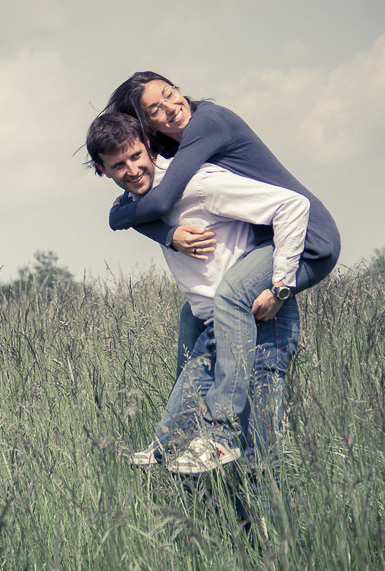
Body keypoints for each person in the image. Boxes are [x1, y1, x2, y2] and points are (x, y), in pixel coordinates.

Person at [100, 72, 340, 463]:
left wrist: (123, 219)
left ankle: (221, 430)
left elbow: (161, 202)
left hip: (307, 240)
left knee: (229, 296)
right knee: (193, 319)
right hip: (269, 240)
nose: (171, 107)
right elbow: (154, 198)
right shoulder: (175, 145)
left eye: (169, 93)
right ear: (147, 126)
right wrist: (160, 231)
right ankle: (173, 440)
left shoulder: (207, 123)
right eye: (155, 109)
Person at [86, 112, 302, 474]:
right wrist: (169, 235)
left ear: (150, 148)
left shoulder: (198, 185)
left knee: (260, 457)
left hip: (262, 320)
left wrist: (280, 286)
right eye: (119, 165)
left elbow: (292, 205)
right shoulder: (141, 201)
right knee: (197, 459)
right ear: (102, 169)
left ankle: (277, 529)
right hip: (216, 326)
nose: (133, 169)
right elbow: (120, 216)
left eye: (136, 156)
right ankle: (166, 450)